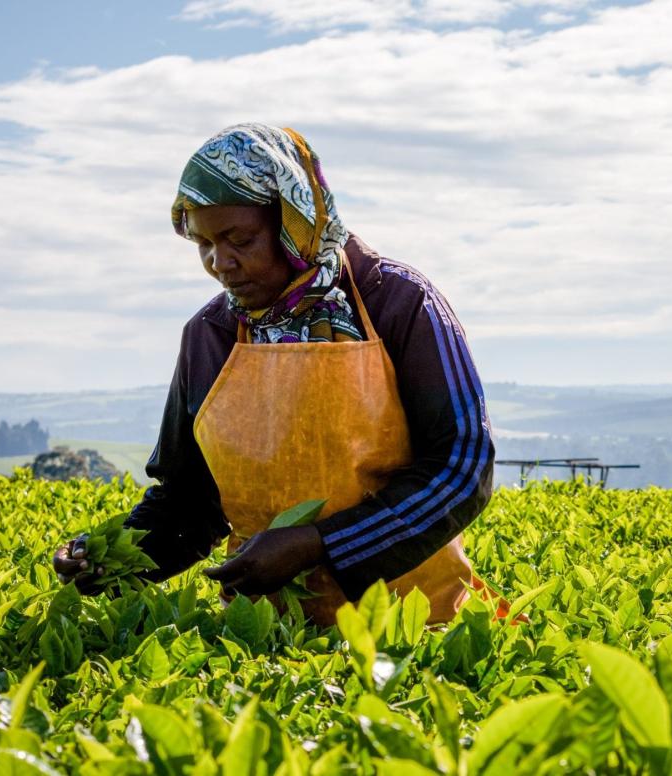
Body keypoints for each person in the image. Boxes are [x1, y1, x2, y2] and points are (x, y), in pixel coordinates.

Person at [52, 123, 496, 624]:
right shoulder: (210, 335)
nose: (221, 263)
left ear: (294, 222)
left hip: (414, 627)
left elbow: (463, 464)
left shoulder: (398, 302)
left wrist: (319, 544)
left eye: (240, 239)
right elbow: (190, 503)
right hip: (262, 638)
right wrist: (111, 558)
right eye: (202, 243)